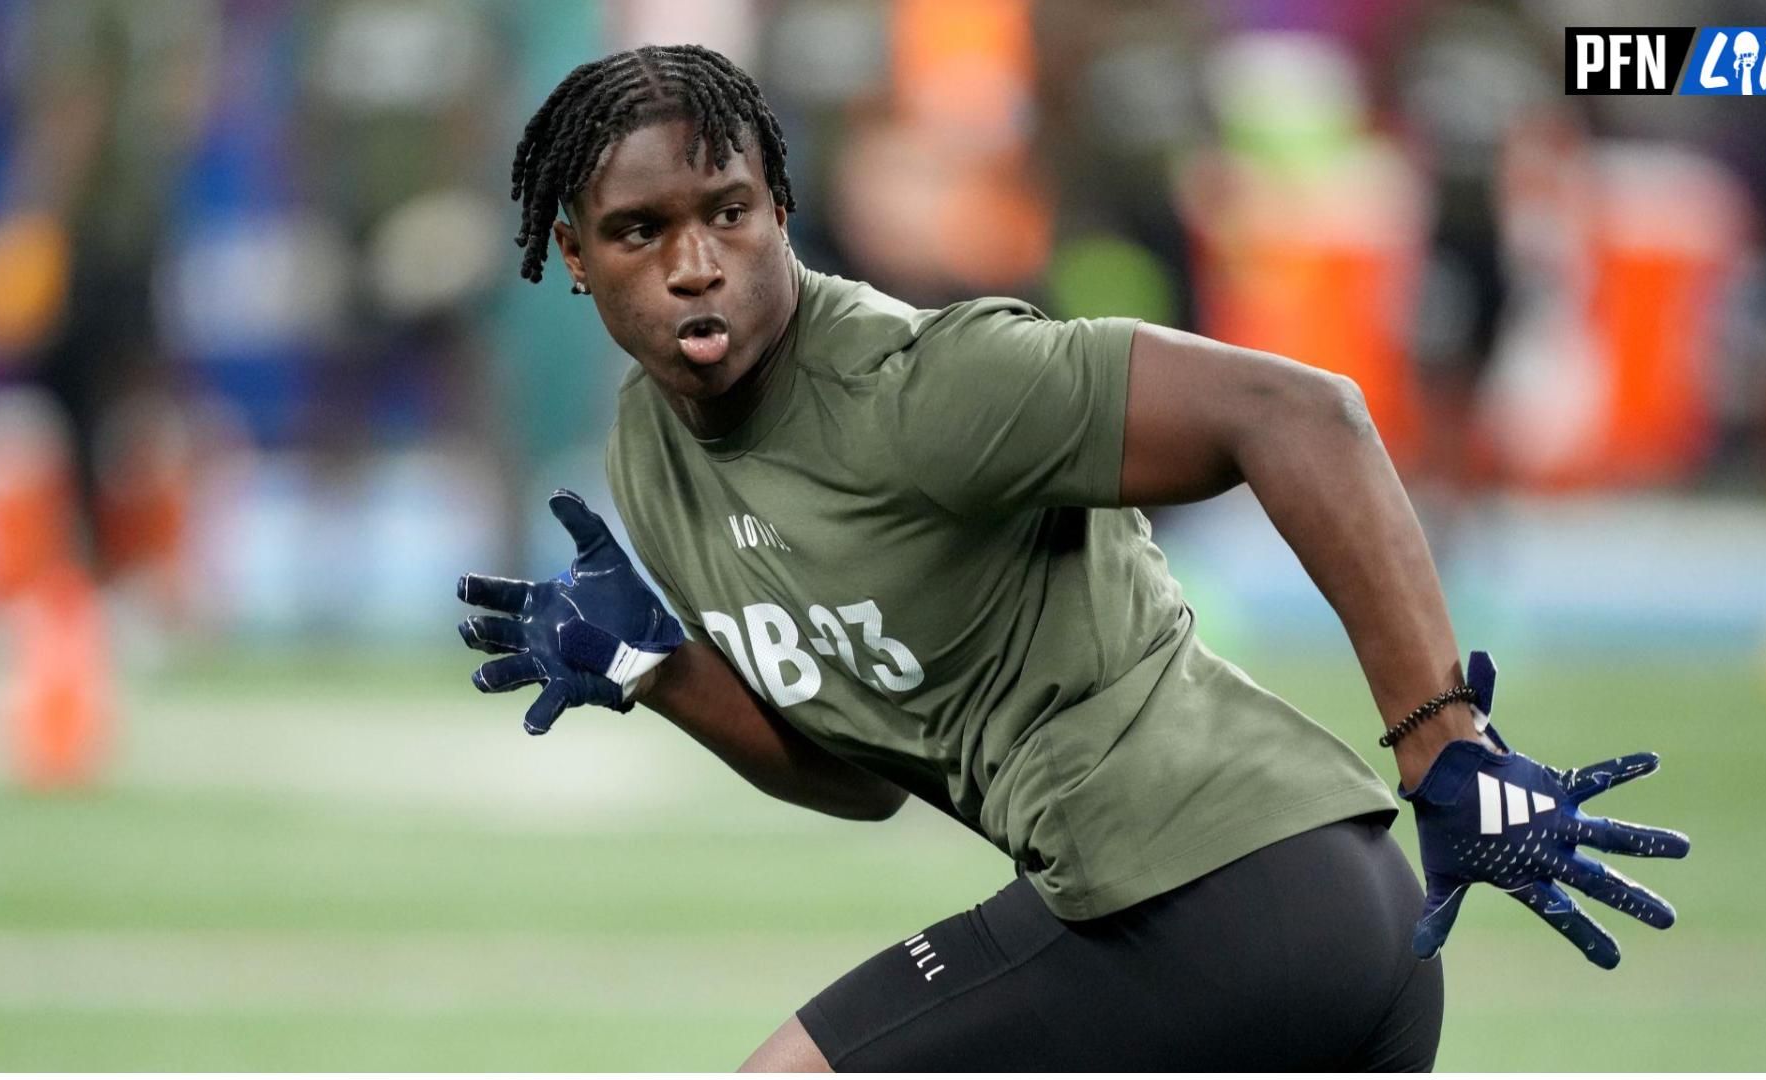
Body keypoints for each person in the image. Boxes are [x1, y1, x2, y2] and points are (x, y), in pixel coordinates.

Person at [455, 44, 1689, 1071]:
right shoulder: (650, 455)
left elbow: (1302, 413)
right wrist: (658, 671)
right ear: (573, 256)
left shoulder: (927, 383)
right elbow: (862, 775)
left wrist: (1443, 739)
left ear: (782, 206)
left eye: (727, 212)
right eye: (639, 230)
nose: (693, 261)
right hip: (1264, 924)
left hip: (1220, 899)